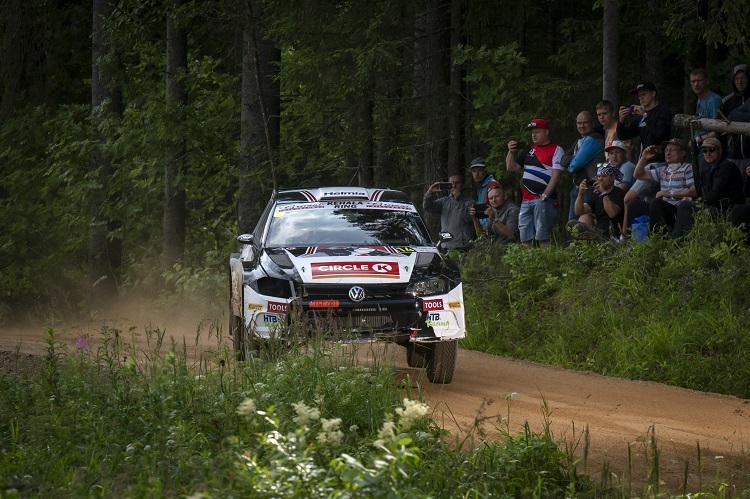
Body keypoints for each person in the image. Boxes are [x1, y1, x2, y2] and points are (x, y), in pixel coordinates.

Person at [506, 118, 564, 248]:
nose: (534, 135)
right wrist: (511, 152)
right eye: (532, 132)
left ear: (547, 132)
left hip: (543, 199)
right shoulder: (529, 150)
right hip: (526, 200)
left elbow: (556, 176)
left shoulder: (556, 149)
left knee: (543, 237)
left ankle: (546, 265)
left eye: (537, 131)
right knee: (525, 239)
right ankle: (528, 266)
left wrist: (544, 196)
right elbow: (511, 167)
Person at [672, 138, 743, 238]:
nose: (707, 153)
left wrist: (695, 200)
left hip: (728, 212)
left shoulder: (726, 167)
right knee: (682, 205)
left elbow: (714, 196)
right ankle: (679, 239)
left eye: (711, 150)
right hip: (716, 208)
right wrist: (695, 158)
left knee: (685, 206)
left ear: (720, 151)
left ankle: (679, 241)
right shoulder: (710, 168)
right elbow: (698, 188)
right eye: (704, 151)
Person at [629, 138, 695, 235]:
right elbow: (638, 174)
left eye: (672, 150)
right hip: (661, 208)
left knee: (657, 203)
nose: (668, 153)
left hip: (677, 209)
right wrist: (644, 158)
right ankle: (635, 238)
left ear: (683, 153)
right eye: (666, 150)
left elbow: (694, 191)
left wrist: (670, 194)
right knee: (633, 205)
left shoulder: (687, 168)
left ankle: (657, 239)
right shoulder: (663, 170)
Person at [561, 110, 605, 221]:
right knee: (572, 225)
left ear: (592, 123)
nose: (582, 126)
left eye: (585, 123)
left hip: (590, 187)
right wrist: (576, 155)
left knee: (583, 223)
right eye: (579, 123)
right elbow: (563, 160)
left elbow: (574, 166)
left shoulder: (594, 138)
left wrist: (574, 161)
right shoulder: (579, 141)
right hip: (578, 187)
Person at [566, 163, 626, 241]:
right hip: (598, 232)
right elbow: (579, 211)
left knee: (578, 228)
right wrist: (580, 194)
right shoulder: (597, 195)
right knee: (571, 224)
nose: (600, 179)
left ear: (613, 178)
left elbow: (612, 213)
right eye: (598, 176)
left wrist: (604, 193)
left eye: (604, 176)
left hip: (611, 235)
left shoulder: (619, 193)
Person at [617, 81, 672, 161]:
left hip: (660, 160)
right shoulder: (640, 116)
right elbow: (624, 136)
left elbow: (661, 133)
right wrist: (621, 121)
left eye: (644, 94)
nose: (641, 98)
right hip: (645, 161)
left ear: (653, 94)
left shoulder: (663, 111)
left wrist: (645, 116)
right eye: (639, 96)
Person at [423, 172, 475, 250]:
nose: (454, 186)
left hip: (462, 246)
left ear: (463, 185)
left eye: (457, 183)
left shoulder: (470, 202)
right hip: (445, 246)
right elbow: (427, 207)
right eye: (451, 183)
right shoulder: (444, 201)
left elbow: (468, 218)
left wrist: (458, 200)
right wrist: (429, 193)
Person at [720, 64, 750, 173]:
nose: (740, 82)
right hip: (732, 156)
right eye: (737, 78)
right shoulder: (726, 102)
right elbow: (721, 131)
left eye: (743, 78)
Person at [689, 68, 723, 149]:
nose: (696, 84)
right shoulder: (699, 99)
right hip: (699, 144)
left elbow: (718, 129)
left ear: (706, 81)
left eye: (699, 81)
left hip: (710, 146)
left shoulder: (714, 100)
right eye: (693, 81)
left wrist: (697, 139)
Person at [468, 157, 502, 230]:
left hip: (494, 227)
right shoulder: (481, 186)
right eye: (474, 171)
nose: (476, 174)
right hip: (486, 227)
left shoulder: (492, 184)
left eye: (479, 170)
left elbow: (497, 208)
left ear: (485, 171)